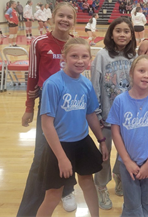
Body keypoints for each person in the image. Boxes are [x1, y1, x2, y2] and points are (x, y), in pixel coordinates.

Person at [35, 38, 109, 217]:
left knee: (87, 182)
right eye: (74, 56)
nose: (80, 60)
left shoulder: (85, 83)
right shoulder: (53, 84)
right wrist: (61, 157)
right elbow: (46, 125)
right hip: (59, 145)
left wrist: (102, 140)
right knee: (53, 194)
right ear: (65, 58)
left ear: (89, 59)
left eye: (84, 56)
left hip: (82, 142)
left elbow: (90, 114)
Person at [18, 2, 78, 216]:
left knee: (69, 149)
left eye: (69, 17)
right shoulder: (39, 42)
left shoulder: (75, 43)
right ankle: (27, 210)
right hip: (48, 105)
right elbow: (33, 76)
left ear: (74, 21)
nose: (64, 20)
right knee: (42, 156)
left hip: (72, 106)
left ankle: (66, 191)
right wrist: (29, 107)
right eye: (61, 15)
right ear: (52, 17)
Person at [106, 55, 148, 217]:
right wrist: (127, 161)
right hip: (128, 164)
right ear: (131, 72)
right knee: (132, 205)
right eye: (141, 70)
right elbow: (115, 133)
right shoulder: (120, 101)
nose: (145, 75)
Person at [90, 17, 137, 210]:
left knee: (125, 152)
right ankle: (100, 185)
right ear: (111, 33)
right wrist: (97, 113)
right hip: (106, 117)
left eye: (126, 31)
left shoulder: (134, 57)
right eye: (118, 30)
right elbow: (94, 86)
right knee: (104, 154)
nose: (122, 34)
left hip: (127, 118)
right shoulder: (102, 56)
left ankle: (119, 176)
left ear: (131, 35)